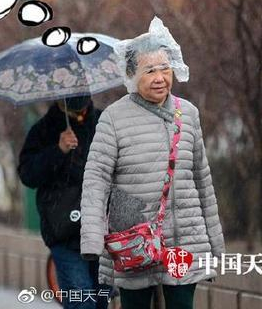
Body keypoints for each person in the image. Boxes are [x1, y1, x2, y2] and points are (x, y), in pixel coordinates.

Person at [80, 16, 226, 309]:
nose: (160, 77)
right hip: (134, 240)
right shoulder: (113, 118)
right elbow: (96, 180)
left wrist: (215, 240)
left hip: (184, 237)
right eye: (149, 70)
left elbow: (202, 180)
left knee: (182, 305)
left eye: (165, 68)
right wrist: (92, 239)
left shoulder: (188, 114)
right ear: (132, 75)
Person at [18, 95, 111, 309]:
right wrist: (57, 150)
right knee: (81, 299)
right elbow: (28, 174)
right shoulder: (43, 130)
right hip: (64, 229)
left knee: (101, 300)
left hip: (102, 230)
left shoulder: (104, 123)